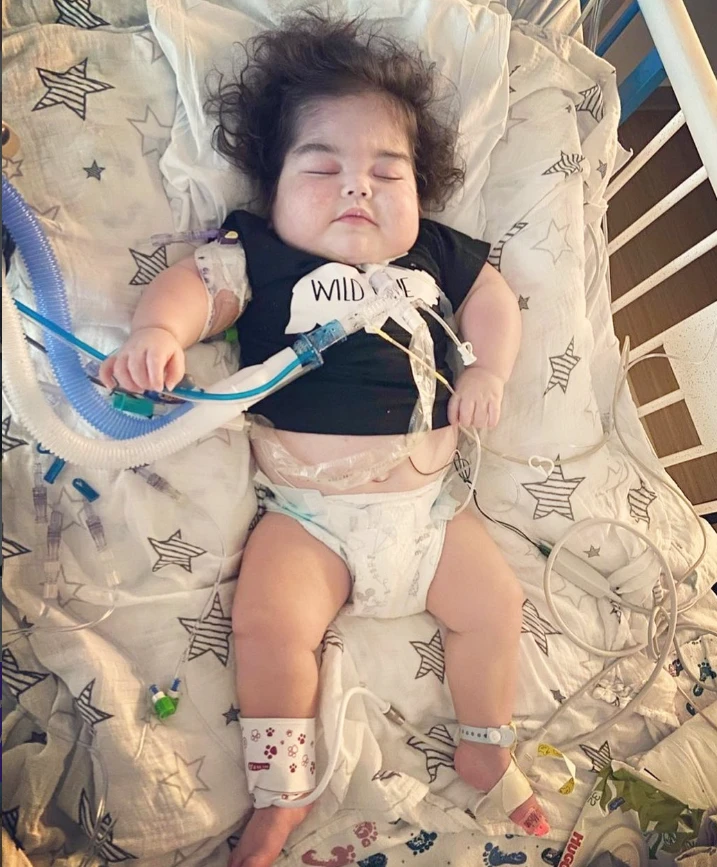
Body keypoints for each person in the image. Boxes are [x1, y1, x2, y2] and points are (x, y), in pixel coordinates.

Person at [99, 11, 549, 867]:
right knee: (268, 625)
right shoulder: (263, 255)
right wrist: (158, 332)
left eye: (387, 171)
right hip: (308, 518)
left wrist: (486, 371)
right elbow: (193, 287)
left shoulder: (434, 257)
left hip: (429, 512)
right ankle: (283, 790)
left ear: (419, 189)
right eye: (322, 167)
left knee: (496, 607)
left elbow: (492, 299)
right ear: (272, 189)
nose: (358, 189)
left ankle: (484, 743)